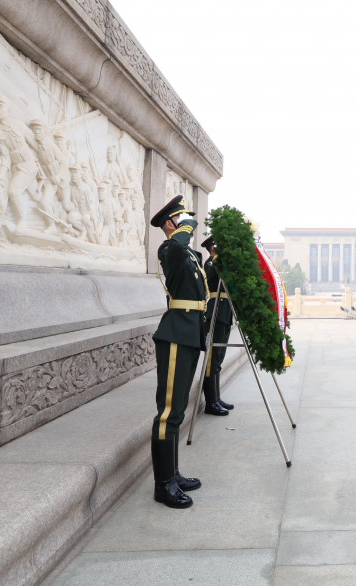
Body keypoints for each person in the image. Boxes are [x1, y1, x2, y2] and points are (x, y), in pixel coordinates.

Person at [148, 195, 206, 508]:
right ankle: (163, 484)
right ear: (171, 223)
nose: (189, 225)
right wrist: (185, 228)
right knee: (168, 411)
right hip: (175, 334)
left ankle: (174, 473)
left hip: (189, 333)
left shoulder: (190, 255)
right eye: (182, 219)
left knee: (179, 409)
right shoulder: (170, 248)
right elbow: (180, 245)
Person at [201, 235, 234, 416]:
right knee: (211, 359)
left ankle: (217, 397)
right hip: (215, 312)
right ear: (213, 247)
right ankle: (210, 402)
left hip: (224, 312)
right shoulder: (210, 264)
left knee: (219, 358)